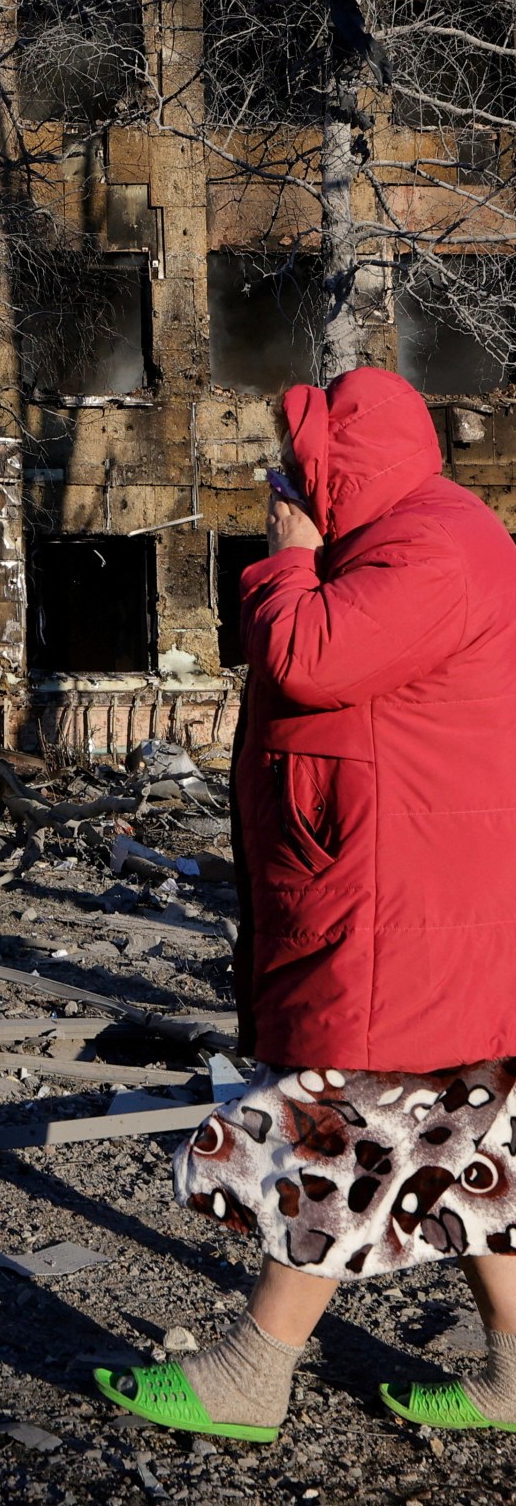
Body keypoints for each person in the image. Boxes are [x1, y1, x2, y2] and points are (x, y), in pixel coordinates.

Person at [97, 365, 516, 1441]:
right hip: (418, 894)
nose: (283, 481)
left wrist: (287, 554)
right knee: (468, 1141)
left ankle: (253, 1374)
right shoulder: (419, 532)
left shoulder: (430, 548)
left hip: (401, 909)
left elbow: (306, 656)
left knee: (338, 1127)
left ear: (345, 465)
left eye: (298, 464)